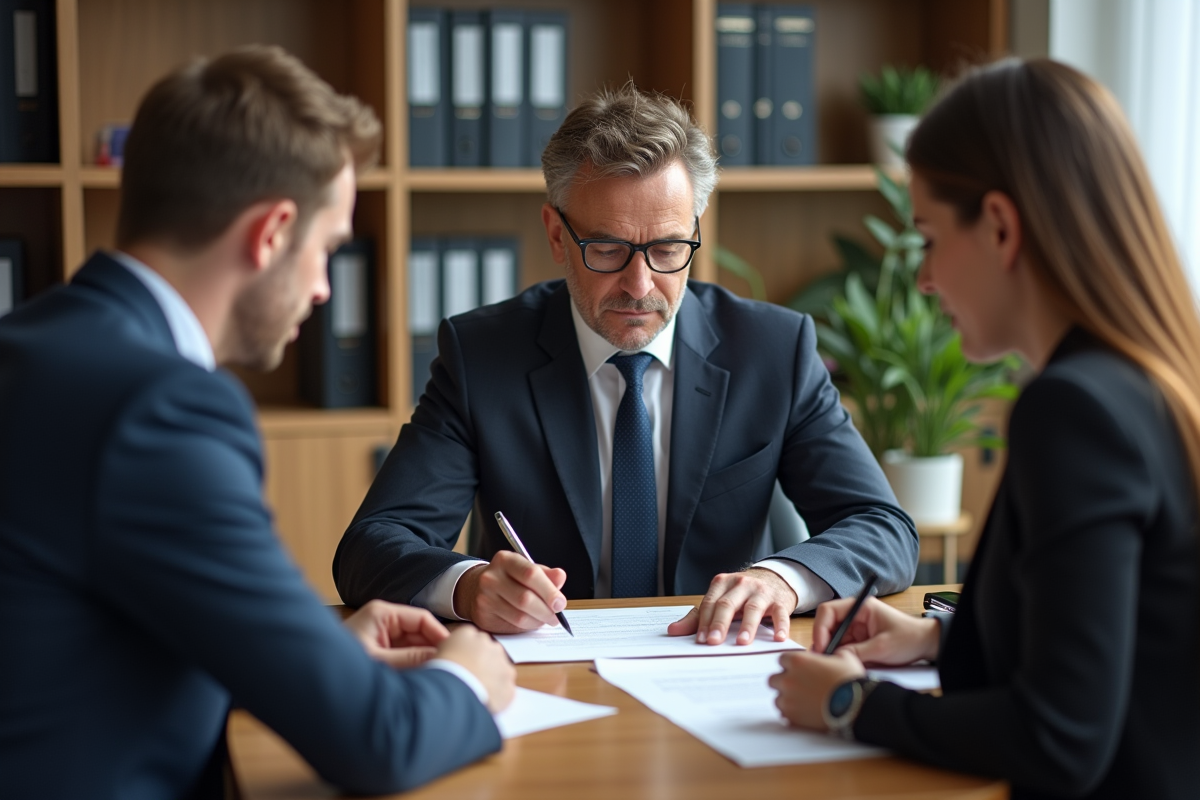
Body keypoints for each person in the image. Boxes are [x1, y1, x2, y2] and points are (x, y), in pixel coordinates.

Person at [0, 46, 515, 799]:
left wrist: (316, 656)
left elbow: (89, 636)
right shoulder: (161, 409)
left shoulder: (36, 345)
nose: (322, 290)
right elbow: (380, 742)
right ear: (271, 232)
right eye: (328, 249)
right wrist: (468, 680)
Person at [334, 83, 918, 644]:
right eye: (608, 249)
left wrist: (781, 580)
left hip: (715, 662)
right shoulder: (483, 354)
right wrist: (465, 587)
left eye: (667, 249)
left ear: (695, 232)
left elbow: (883, 528)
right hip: (551, 669)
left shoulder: (773, 349)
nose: (640, 286)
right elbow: (371, 545)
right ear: (558, 237)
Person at [769, 58, 1200, 800]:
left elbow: (1058, 740)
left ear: (999, 226)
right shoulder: (1152, 383)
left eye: (930, 237)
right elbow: (1126, 628)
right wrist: (937, 638)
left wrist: (851, 705)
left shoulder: (1075, 410)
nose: (926, 278)